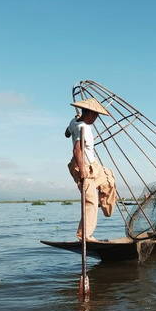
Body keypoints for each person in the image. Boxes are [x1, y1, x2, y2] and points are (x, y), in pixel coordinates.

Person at [65, 97, 110, 242]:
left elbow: (66, 133)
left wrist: (75, 122)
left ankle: (107, 209)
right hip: (83, 165)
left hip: (93, 164)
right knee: (90, 201)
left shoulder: (74, 122)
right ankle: (84, 235)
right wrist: (83, 171)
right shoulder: (82, 127)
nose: (96, 118)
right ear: (88, 112)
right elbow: (77, 150)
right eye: (94, 115)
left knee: (109, 179)